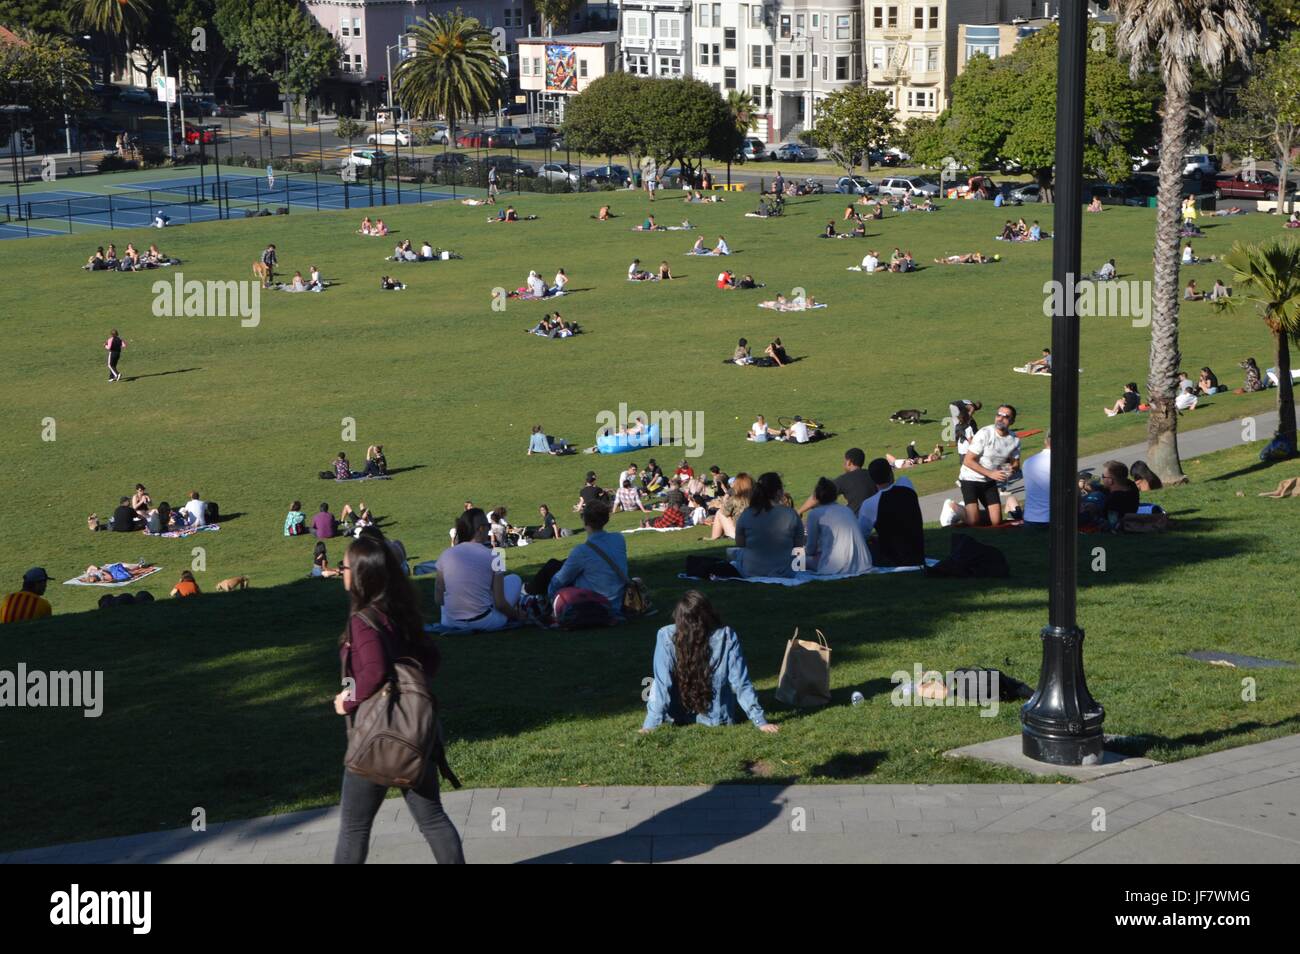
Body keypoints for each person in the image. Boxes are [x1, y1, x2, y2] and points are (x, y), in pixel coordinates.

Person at [333, 533, 464, 864]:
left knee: (353, 829)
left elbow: (374, 671)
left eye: (344, 566)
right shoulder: (399, 613)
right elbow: (431, 659)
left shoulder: (362, 620)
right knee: (433, 819)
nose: (341, 572)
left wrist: (347, 701)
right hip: (416, 734)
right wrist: (409, 688)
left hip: (376, 739)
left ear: (360, 573)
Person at [640, 591, 776, 733]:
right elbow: (740, 682)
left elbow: (662, 684)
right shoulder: (726, 635)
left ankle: (657, 718)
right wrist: (760, 721)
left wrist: (650, 725)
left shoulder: (666, 635)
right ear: (709, 613)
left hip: (676, 715)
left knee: (654, 682)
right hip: (716, 717)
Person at [435, 508, 526, 631]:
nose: (489, 529)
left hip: (449, 622)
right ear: (481, 529)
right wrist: (518, 615)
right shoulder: (496, 555)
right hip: (484, 621)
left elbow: (438, 598)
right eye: (488, 526)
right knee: (514, 579)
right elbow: (500, 604)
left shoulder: (446, 554)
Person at [545, 501, 629, 613]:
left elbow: (558, 582)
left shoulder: (582, 551)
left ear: (585, 521)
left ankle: (528, 594)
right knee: (556, 564)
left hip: (596, 605)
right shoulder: (619, 539)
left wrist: (550, 597)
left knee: (553, 568)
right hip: (618, 601)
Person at [958, 404, 1021, 527]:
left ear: (1012, 421)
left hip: (989, 481)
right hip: (970, 478)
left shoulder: (1014, 440)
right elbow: (968, 461)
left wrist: (1009, 470)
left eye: (1006, 416)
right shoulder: (985, 433)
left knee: (996, 522)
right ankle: (953, 507)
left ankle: (973, 511)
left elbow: (1015, 463)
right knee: (973, 522)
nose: (1000, 419)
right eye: (998, 415)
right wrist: (992, 473)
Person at [732, 472, 804, 578]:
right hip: (785, 571)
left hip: (751, 571)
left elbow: (740, 544)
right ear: (779, 492)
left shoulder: (746, 514)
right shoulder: (791, 514)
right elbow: (798, 546)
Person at [857, 458, 925, 567]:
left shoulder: (869, 504)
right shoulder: (906, 485)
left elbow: (860, 535)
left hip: (892, 559)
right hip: (917, 553)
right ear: (891, 473)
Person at [804, 477, 873, 575]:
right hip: (863, 564)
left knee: (798, 561)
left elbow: (810, 549)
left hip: (836, 567)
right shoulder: (847, 510)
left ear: (817, 496)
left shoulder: (815, 514)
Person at [1021, 433, 1051, 527]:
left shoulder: (1027, 462)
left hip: (1030, 518)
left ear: (1045, 441)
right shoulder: (1063, 462)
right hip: (1053, 519)